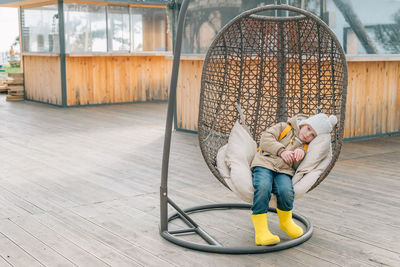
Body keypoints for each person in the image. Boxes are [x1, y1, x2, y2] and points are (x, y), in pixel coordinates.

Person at [250, 113, 338, 245]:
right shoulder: (284, 127)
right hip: (264, 164)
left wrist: (301, 154)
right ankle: (261, 232)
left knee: (286, 190)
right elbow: (265, 138)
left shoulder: (306, 147)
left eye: (313, 135)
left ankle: (286, 222)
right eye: (308, 129)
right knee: (263, 187)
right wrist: (281, 151)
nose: (308, 135)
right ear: (304, 124)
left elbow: (298, 167)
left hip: (284, 171)